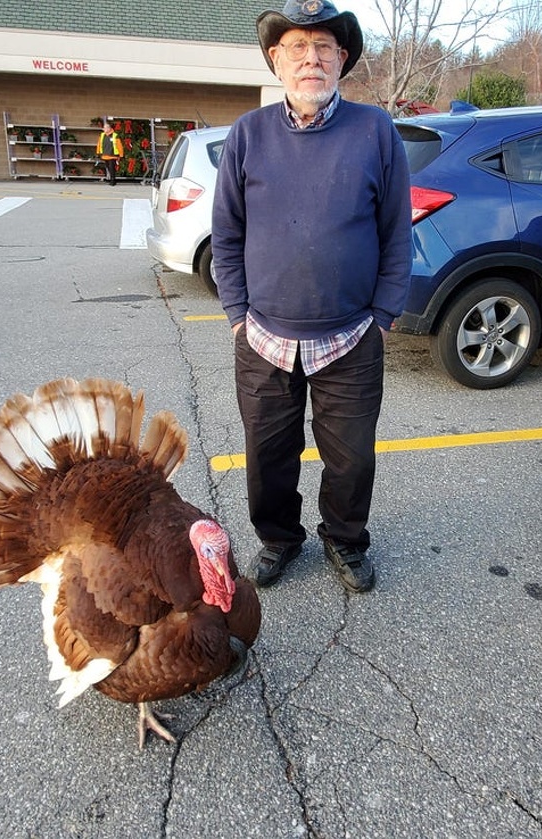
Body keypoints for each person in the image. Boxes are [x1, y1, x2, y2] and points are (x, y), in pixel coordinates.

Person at [211, 0, 412, 594]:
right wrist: (235, 315)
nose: (311, 59)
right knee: (268, 455)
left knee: (350, 458)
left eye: (324, 47)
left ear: (342, 59)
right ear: (277, 60)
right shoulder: (248, 135)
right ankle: (279, 539)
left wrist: (383, 314)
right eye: (297, 47)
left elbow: (395, 230)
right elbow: (227, 233)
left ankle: (345, 540)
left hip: (351, 334)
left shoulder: (375, 131)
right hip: (264, 334)